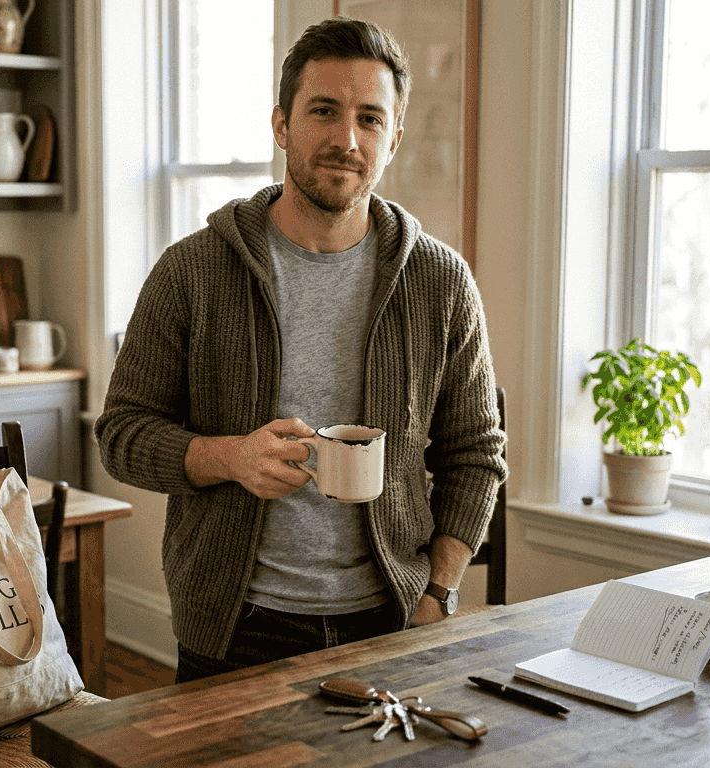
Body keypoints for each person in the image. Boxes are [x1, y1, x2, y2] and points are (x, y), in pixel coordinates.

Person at [94, 16, 507, 683]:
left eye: (370, 119)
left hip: (389, 620)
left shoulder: (441, 282)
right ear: (282, 125)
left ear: (393, 140)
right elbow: (121, 435)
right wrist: (227, 456)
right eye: (324, 111)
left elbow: (477, 453)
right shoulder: (193, 271)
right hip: (234, 625)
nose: (346, 140)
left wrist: (438, 591)